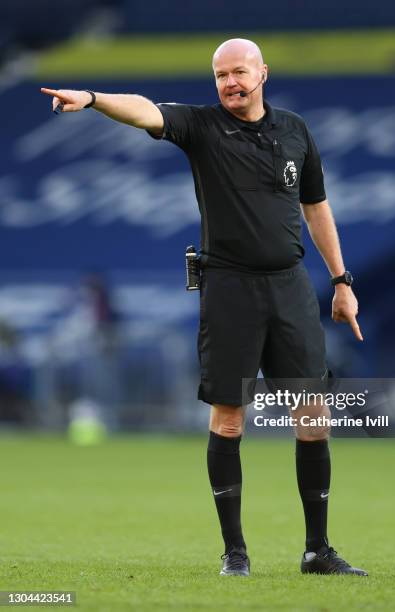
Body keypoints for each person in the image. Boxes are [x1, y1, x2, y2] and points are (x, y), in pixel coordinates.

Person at [41, 38, 367, 577]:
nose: (230, 83)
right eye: (220, 75)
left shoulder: (295, 131)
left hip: (289, 286)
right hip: (230, 288)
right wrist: (94, 98)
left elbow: (316, 206)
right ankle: (234, 554)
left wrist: (340, 280)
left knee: (312, 413)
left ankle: (318, 550)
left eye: (239, 72)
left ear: (263, 72)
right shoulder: (201, 127)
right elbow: (146, 110)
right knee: (229, 416)